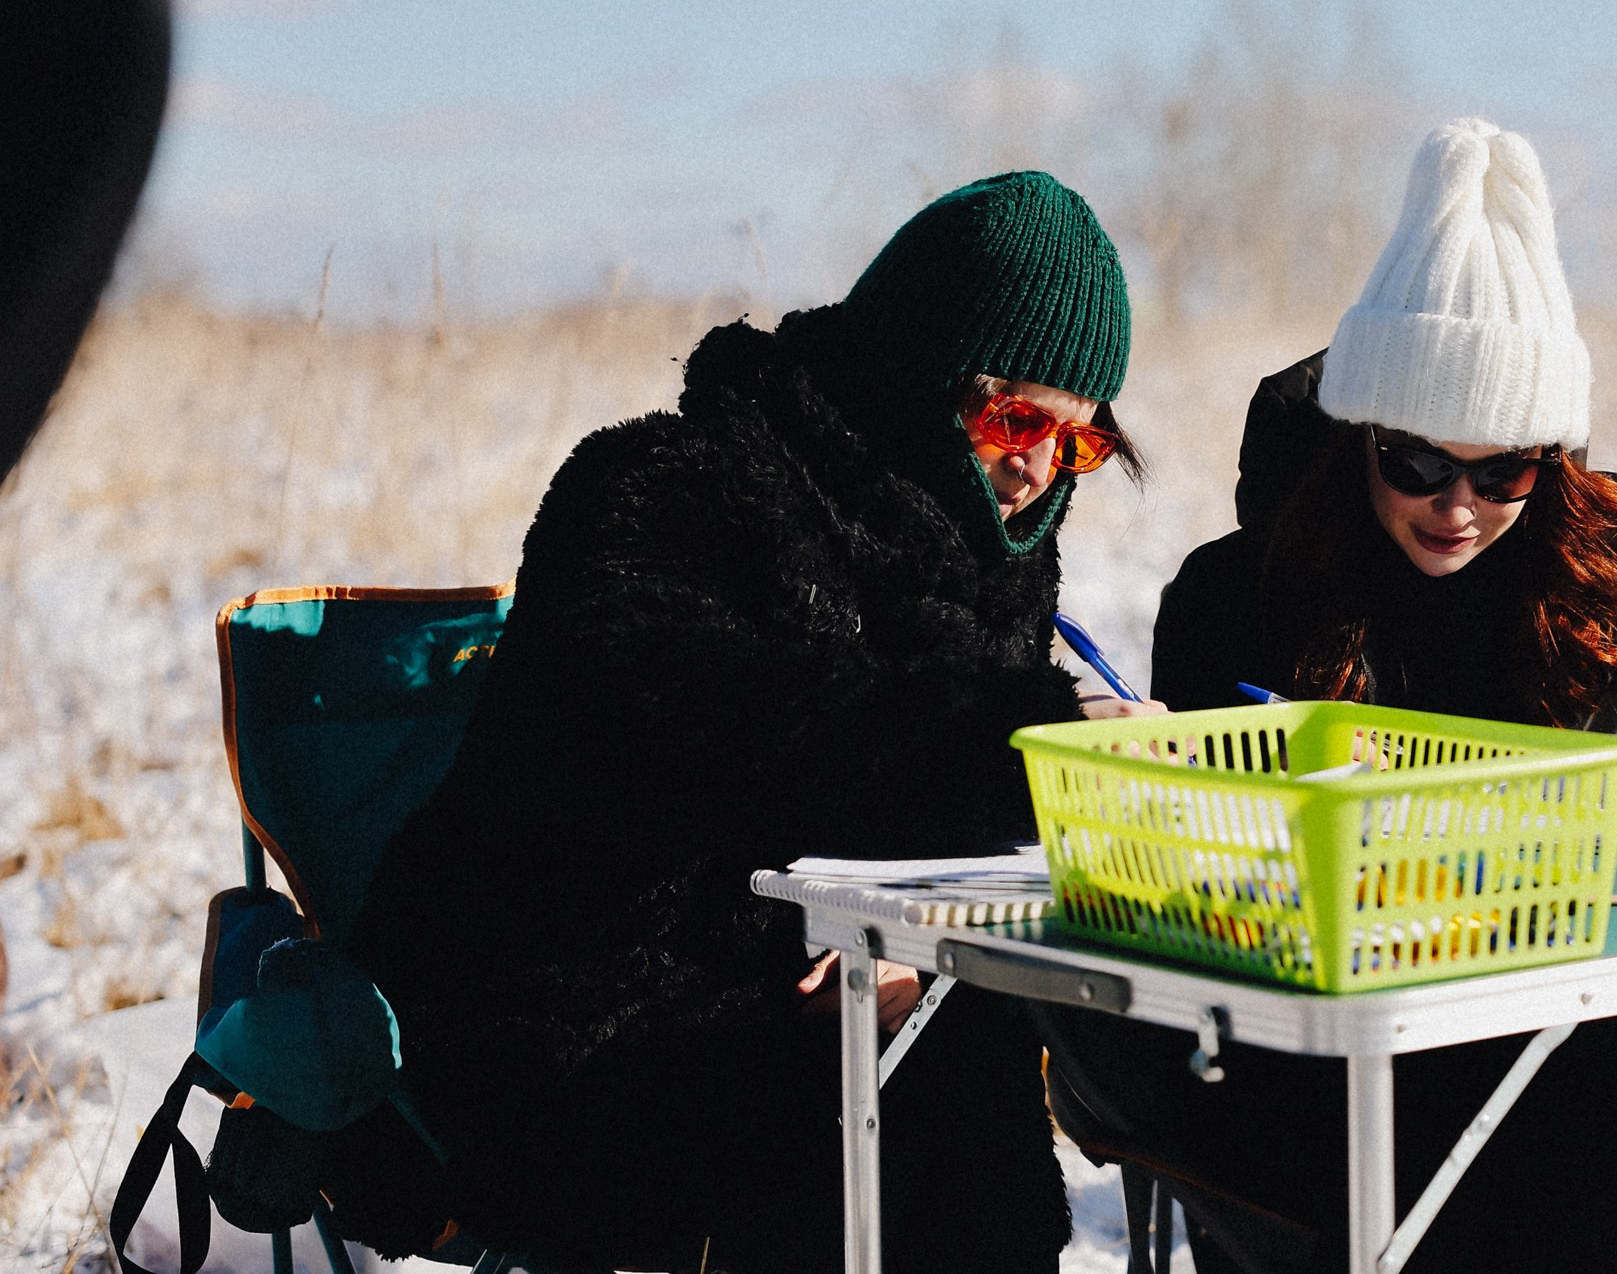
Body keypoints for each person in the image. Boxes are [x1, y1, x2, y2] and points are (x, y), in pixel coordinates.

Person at [1043, 119, 1617, 1273]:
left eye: (1504, 472)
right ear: (1359, 437)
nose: (1459, 506)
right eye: (1418, 463)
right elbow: (1208, 891)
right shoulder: (1240, 590)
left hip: (1564, 1057)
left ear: (1553, 460)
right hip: (1319, 1089)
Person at [351, 172, 1157, 1273]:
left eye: (1077, 444)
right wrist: (1023, 742)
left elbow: (921, 823)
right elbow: (750, 733)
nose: (1036, 466)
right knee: (862, 1125)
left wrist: (912, 942)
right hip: (560, 1017)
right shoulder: (660, 487)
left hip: (810, 1004)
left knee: (958, 1072)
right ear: (915, 377)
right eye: (1015, 417)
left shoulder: (981, 550)